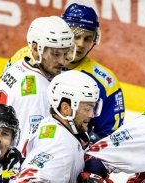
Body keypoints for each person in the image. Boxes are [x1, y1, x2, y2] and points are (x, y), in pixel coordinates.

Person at [9, 3, 125, 141]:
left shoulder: (106, 82)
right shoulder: (25, 58)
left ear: (95, 39)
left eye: (87, 38)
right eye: (76, 36)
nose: (81, 44)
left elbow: (109, 136)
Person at [0, 15, 75, 155]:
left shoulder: (18, 66)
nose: (62, 61)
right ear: (36, 49)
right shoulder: (39, 92)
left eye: (66, 53)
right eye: (55, 54)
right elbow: (25, 147)